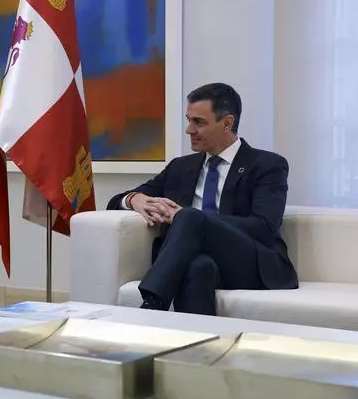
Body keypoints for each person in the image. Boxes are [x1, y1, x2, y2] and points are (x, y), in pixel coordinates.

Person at [107, 83, 298, 315]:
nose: (189, 130)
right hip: (199, 260)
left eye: (199, 122)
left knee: (189, 216)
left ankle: (152, 305)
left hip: (249, 262)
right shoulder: (181, 167)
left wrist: (195, 220)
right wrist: (134, 199)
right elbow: (114, 202)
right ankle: (196, 337)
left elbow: (264, 228)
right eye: (188, 120)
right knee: (198, 267)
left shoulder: (267, 165)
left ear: (227, 123)